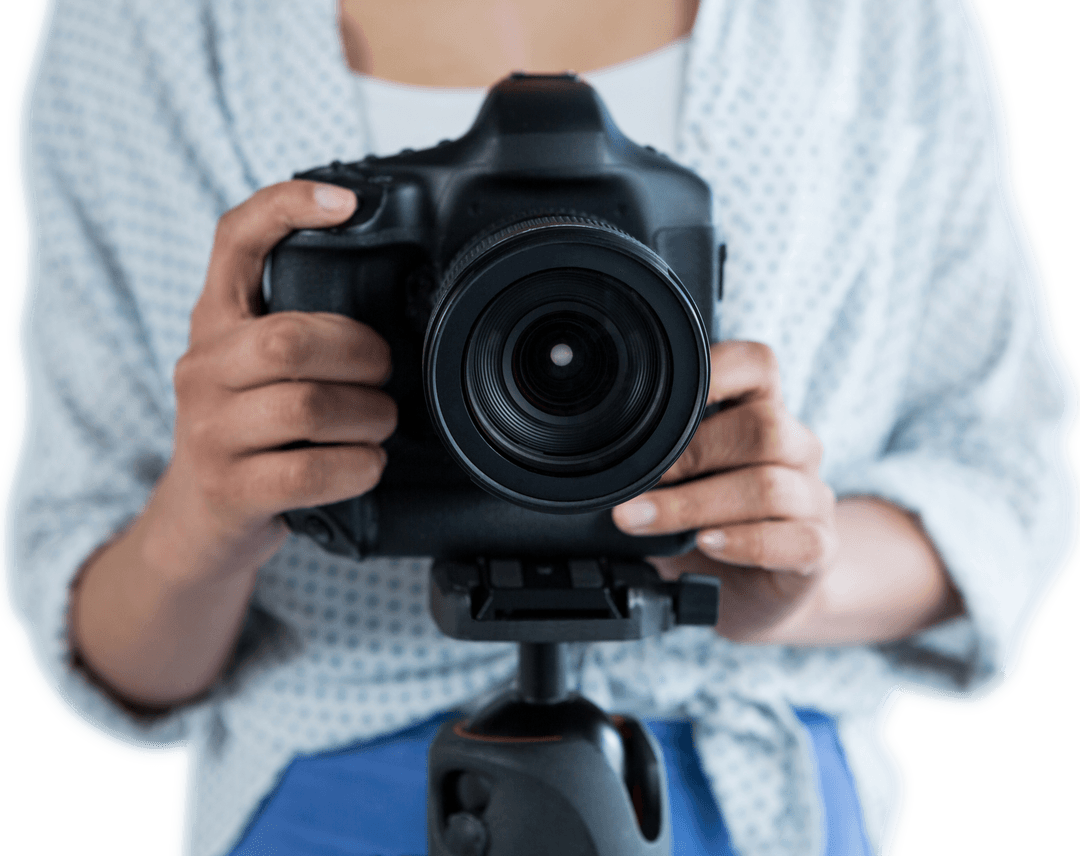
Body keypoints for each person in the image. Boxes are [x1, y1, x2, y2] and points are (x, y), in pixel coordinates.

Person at [8, 0, 1070, 854]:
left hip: (749, 798)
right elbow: (110, 643)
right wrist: (207, 515)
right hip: (333, 805)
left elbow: (1012, 481)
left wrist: (790, 575)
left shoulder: (885, 18)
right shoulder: (137, 25)